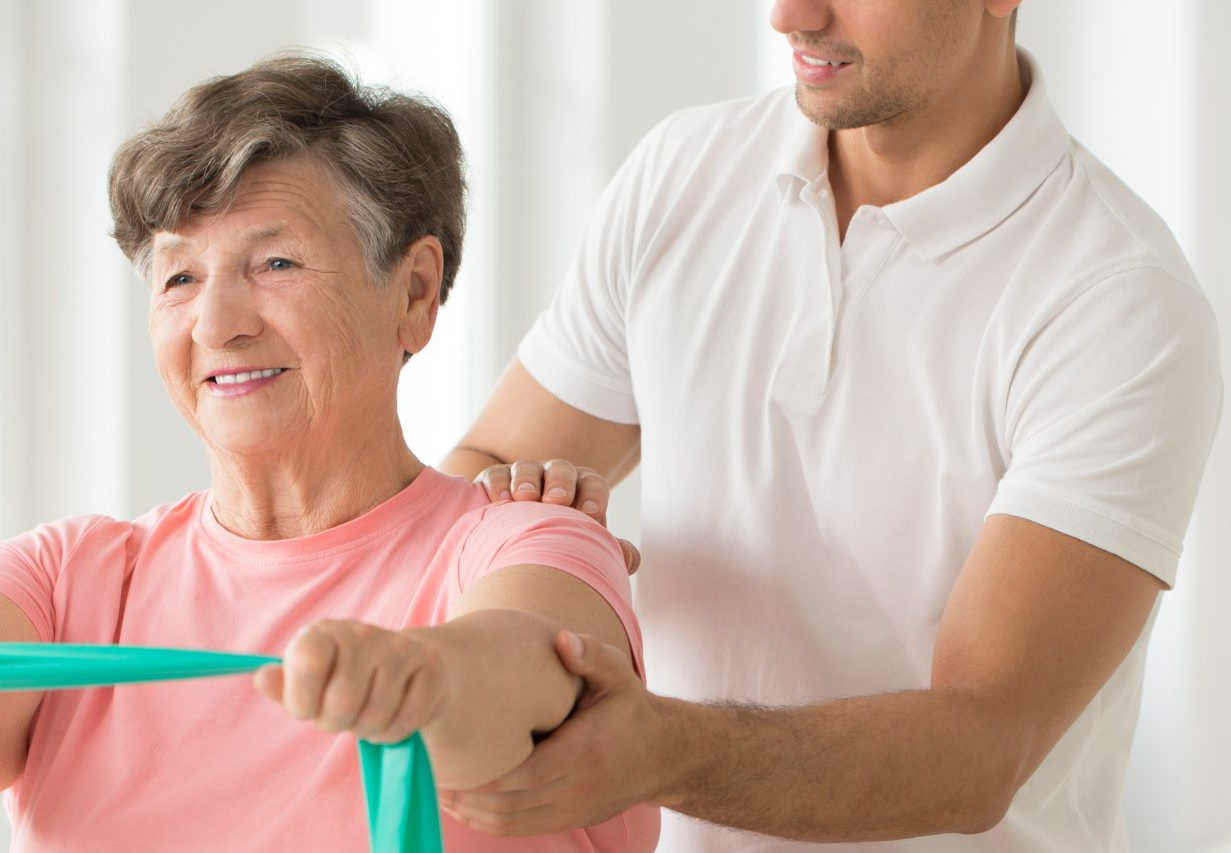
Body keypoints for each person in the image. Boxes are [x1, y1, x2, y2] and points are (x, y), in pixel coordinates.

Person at [438, 1, 1223, 850]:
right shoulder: (683, 171)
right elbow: (487, 468)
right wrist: (525, 536)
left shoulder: (1118, 300)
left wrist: (654, 750)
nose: (790, 16)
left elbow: (979, 742)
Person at [0, 54, 659, 853]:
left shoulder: (526, 535)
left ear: (413, 293)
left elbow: (526, 688)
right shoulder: (67, 581)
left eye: (275, 263)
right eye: (179, 277)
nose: (217, 323)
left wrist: (420, 676)